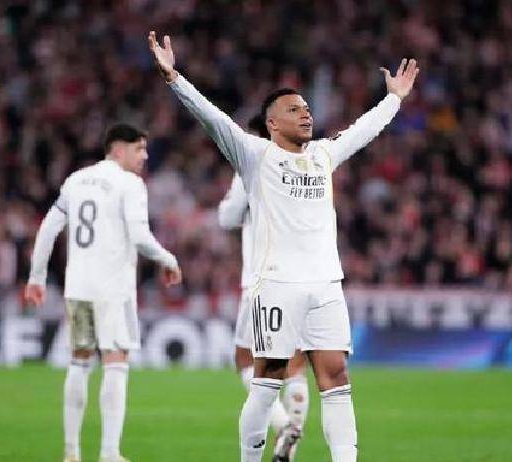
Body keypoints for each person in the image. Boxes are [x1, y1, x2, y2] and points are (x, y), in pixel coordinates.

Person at [149, 31, 419, 461]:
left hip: (326, 285)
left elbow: (362, 131)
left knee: (336, 377)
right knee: (267, 380)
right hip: (276, 284)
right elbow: (212, 118)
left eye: (307, 108)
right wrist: (174, 79)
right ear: (272, 123)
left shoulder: (323, 155)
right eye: (294, 110)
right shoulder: (254, 156)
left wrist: (394, 99)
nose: (305, 114)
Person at [25, 123, 182, 462]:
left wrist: (36, 277)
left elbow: (49, 228)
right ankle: (110, 452)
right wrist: (168, 259)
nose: (145, 156)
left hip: (78, 286)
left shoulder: (76, 181)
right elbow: (140, 237)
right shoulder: (130, 184)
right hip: (113, 290)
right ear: (118, 149)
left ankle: (71, 451)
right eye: (139, 149)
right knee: (116, 362)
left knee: (79, 362)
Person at [218, 116, 309, 462]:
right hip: (303, 278)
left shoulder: (252, 165)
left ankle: (284, 425)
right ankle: (291, 445)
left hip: (261, 279)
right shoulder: (306, 166)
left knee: (246, 358)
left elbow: (227, 218)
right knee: (295, 363)